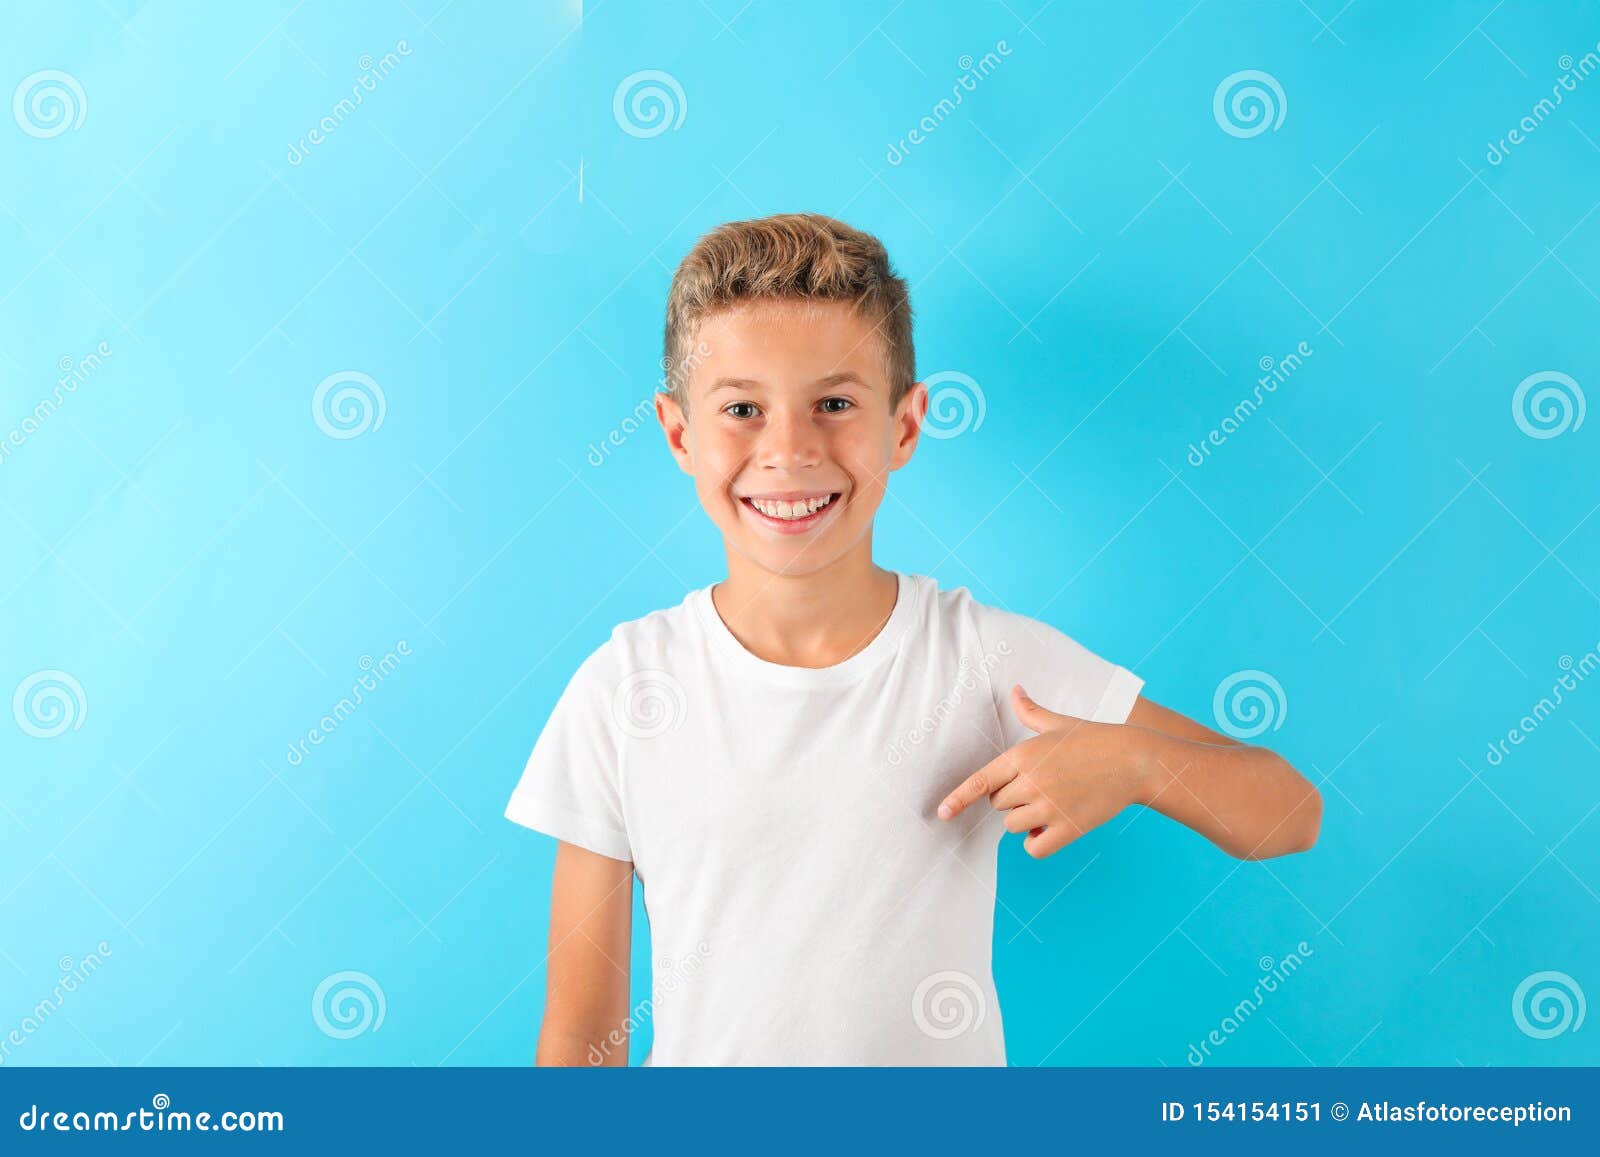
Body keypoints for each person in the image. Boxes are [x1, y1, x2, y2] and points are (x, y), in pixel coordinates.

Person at [505, 212, 1322, 1066]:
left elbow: (1290, 810)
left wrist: (1137, 762)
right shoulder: (625, 688)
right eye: (743, 408)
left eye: (835, 404)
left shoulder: (985, 659)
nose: (788, 450)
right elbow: (580, 1035)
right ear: (680, 433)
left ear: (904, 425)